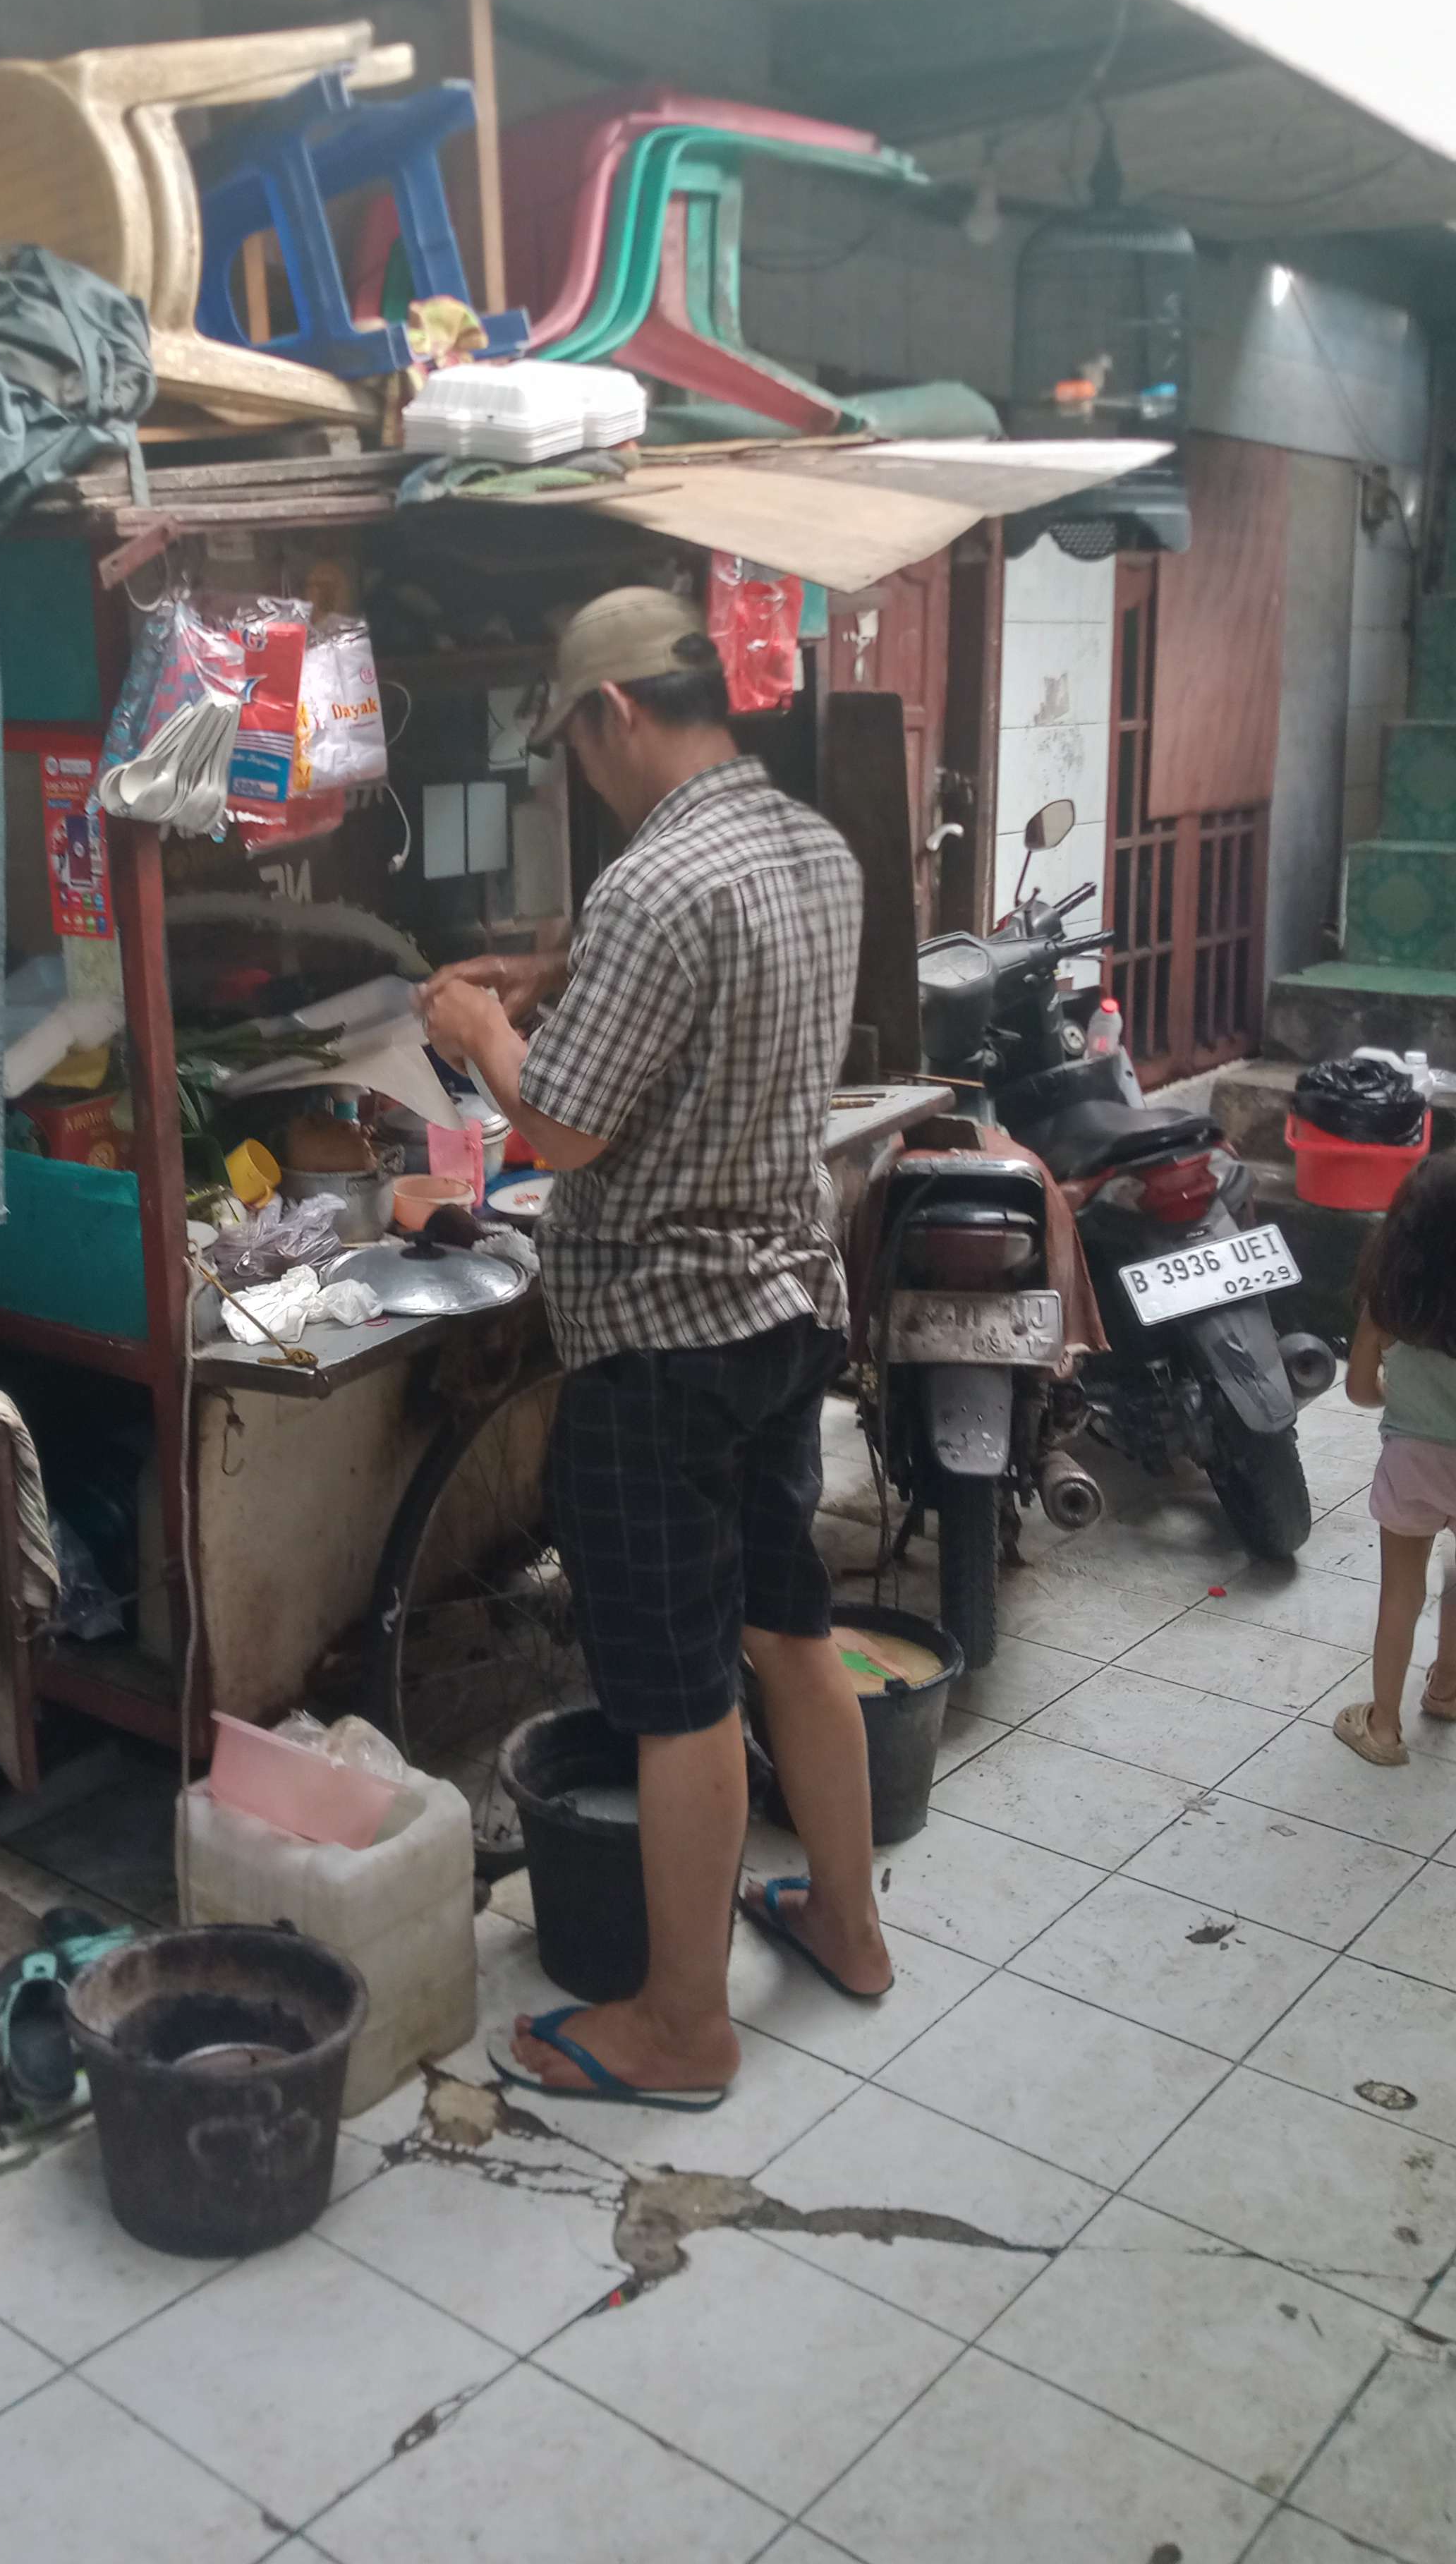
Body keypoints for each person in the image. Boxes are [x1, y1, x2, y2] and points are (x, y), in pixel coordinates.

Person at [419, 584, 890, 2114]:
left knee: (681, 1691)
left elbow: (557, 1125)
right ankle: (848, 1922)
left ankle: (684, 2027)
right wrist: (551, 978)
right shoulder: (812, 846)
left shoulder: (653, 882)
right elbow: (703, 1005)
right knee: (789, 1626)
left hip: (661, 1346)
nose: (580, 767)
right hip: (783, 1310)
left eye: (574, 739)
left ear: (614, 711)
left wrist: (475, 1028)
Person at [1333, 1150, 1456, 1767]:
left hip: (1412, 1464)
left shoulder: (1388, 1308)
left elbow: (1359, 1390)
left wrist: (1396, 1394)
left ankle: (1383, 1727)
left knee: (1401, 1595)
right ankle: (1448, 1688)